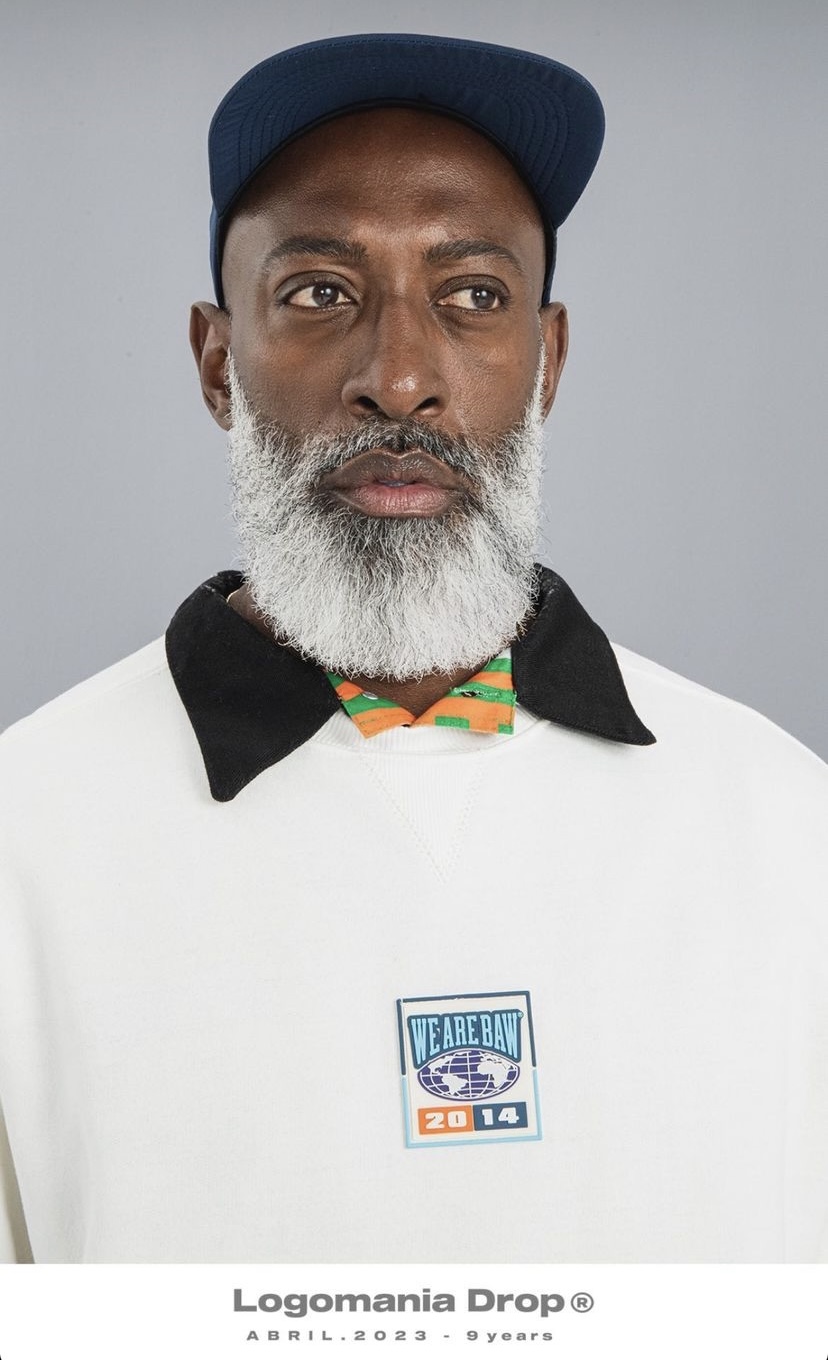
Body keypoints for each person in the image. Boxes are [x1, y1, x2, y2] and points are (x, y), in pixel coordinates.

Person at [0, 33, 826, 1266]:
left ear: (546, 362)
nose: (397, 379)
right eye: (319, 291)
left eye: (473, 295)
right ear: (218, 363)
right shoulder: (24, 835)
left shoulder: (784, 822)